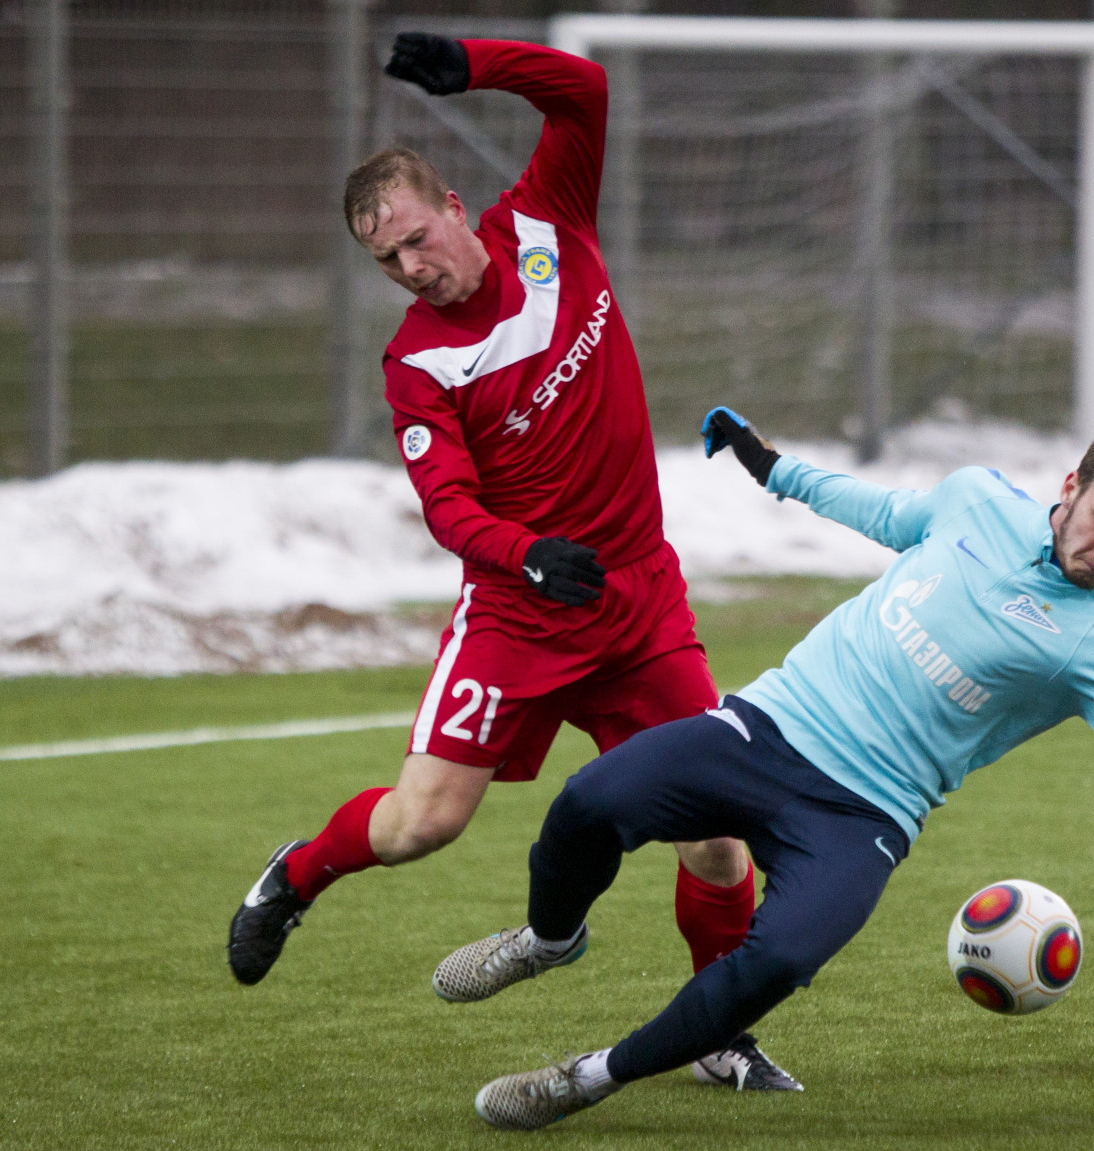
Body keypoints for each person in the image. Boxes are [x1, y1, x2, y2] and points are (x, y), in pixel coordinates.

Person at [437, 412, 1094, 1130]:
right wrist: (773, 467)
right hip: (768, 726)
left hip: (864, 814)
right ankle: (549, 940)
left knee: (780, 958)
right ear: (1071, 485)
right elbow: (881, 510)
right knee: (588, 800)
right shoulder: (976, 500)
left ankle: (587, 1078)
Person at [226, 35, 800, 1091]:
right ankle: (294, 875)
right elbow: (448, 507)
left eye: (415, 238)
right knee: (422, 824)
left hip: (636, 604)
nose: (411, 267)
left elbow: (585, 91)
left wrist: (473, 64)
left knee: (718, 838)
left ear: (453, 205)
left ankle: (719, 1033)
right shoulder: (417, 362)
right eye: (387, 261)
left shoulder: (548, 220)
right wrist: (528, 554)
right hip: (518, 616)